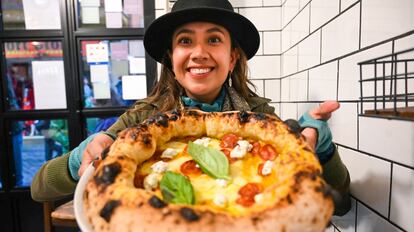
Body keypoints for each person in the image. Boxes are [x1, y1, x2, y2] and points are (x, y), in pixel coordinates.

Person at [31, 0, 351, 216]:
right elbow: (40, 187)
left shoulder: (263, 121)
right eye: (185, 41)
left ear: (233, 56)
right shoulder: (142, 122)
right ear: (171, 56)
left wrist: (321, 148)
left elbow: (340, 203)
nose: (198, 53)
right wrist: (81, 158)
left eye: (213, 40)